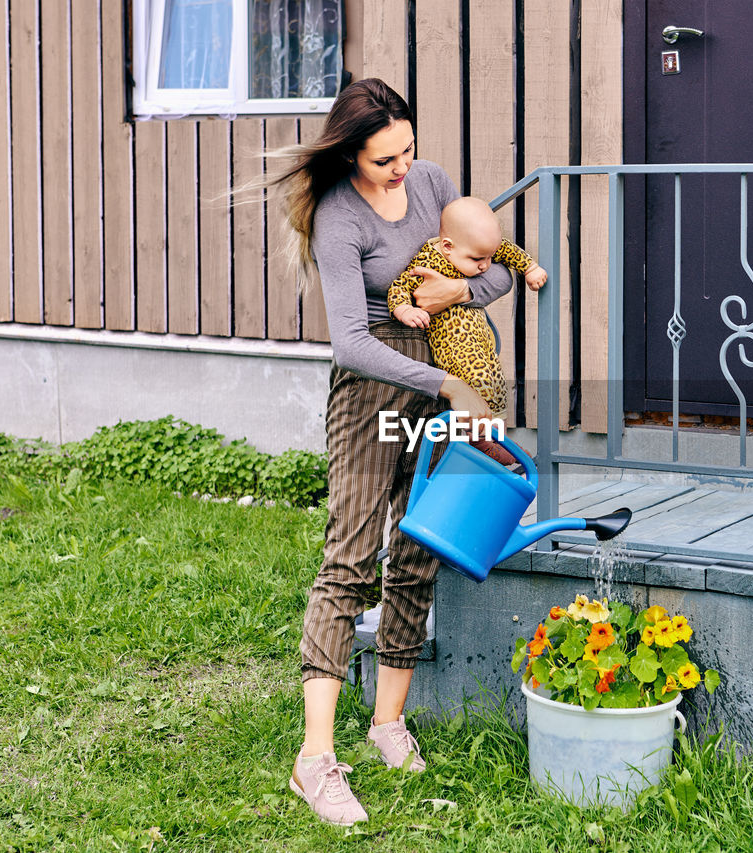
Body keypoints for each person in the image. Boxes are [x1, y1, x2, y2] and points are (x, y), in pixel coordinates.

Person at [268, 78, 517, 826]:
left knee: (416, 547)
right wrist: (445, 382)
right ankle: (314, 760)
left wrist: (459, 297)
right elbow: (352, 339)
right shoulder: (337, 218)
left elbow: (496, 265)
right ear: (350, 154)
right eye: (386, 159)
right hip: (378, 386)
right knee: (350, 556)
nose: (405, 168)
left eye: (408, 149)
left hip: (445, 379)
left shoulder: (433, 181)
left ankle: (387, 723)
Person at [387, 196, 546, 465]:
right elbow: (399, 287)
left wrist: (529, 267)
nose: (485, 265)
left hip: (480, 343)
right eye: (477, 259)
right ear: (447, 247)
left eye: (489, 257)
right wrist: (405, 309)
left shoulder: (474, 246)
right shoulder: (428, 261)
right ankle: (481, 443)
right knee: (476, 388)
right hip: (454, 349)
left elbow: (506, 250)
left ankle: (498, 441)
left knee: (495, 386)